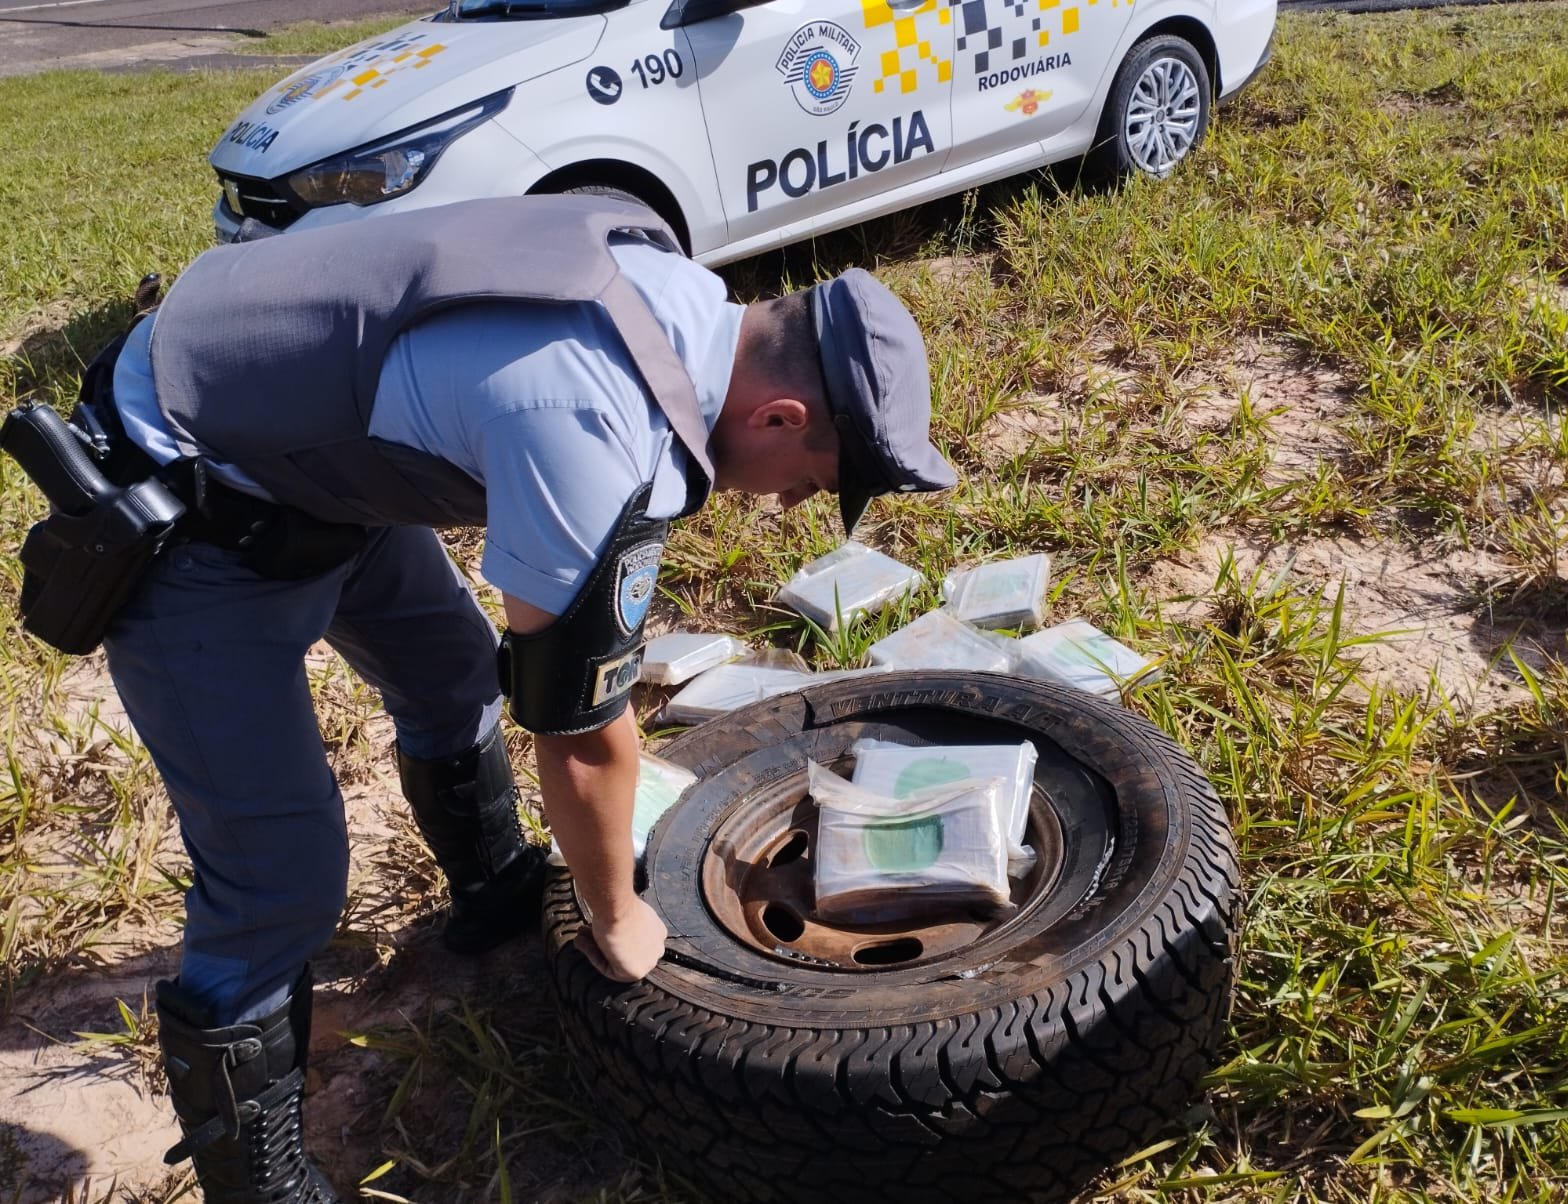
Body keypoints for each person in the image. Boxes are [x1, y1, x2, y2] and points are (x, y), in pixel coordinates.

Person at [29, 194, 956, 1203]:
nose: (784, 502)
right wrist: (616, 915)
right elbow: (582, 734)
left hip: (323, 449)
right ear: (778, 416)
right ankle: (257, 1181)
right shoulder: (593, 417)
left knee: (451, 671)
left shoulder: (669, 288)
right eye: (810, 479)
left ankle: (489, 886)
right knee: (277, 869)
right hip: (191, 490)